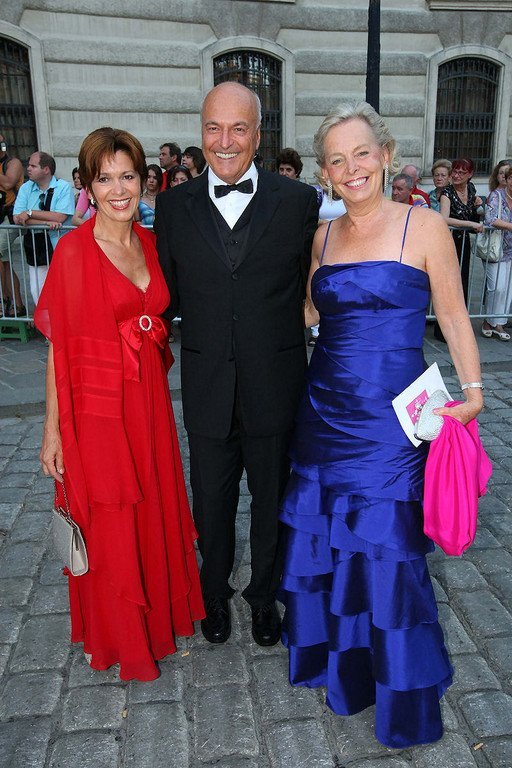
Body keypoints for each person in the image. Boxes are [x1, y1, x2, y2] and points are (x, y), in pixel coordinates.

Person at [278, 101, 483, 748]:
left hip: (393, 423)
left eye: (362, 153)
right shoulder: (322, 236)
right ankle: (341, 667)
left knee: (389, 550)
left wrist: (474, 392)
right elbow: (309, 314)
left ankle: (401, 693)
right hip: (323, 412)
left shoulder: (425, 226)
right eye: (337, 160)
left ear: (386, 155)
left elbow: (454, 314)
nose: (352, 168)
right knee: (326, 541)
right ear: (326, 172)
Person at [35, 127, 204, 681]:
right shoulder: (74, 251)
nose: (118, 189)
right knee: (111, 516)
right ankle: (120, 635)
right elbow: (59, 348)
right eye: (104, 178)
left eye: (127, 176)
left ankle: (158, 622)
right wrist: (53, 432)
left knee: (152, 504)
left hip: (149, 401)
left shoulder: (151, 244)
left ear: (144, 180)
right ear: (87, 186)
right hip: (98, 409)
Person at [155, 81, 318, 648]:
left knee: (272, 501)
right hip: (206, 385)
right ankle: (213, 593)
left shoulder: (298, 201)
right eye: (213, 128)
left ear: (258, 135)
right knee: (211, 503)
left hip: (275, 382)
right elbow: (160, 296)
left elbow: (318, 281)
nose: (224, 141)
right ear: (201, 132)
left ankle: (264, 597)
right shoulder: (172, 206)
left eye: (238, 128)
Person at [13, 152, 75, 308]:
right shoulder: (26, 188)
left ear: (46, 169)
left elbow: (60, 217)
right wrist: (46, 221)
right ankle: (47, 323)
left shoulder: (63, 187)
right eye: (29, 165)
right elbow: (16, 218)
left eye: (33, 166)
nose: (28, 168)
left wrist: (30, 213)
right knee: (38, 291)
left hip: (60, 247)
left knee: (64, 290)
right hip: (35, 246)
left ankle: (64, 322)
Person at [439, 157, 483, 304]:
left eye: (461, 173)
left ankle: (460, 313)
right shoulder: (447, 192)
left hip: (464, 241)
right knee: (449, 280)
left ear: (470, 174)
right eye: (455, 172)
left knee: (463, 278)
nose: (456, 176)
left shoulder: (471, 189)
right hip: (448, 241)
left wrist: (477, 206)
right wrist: (469, 224)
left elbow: (472, 213)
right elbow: (444, 218)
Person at [481, 165, 512, 341]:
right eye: (511, 177)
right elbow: (490, 219)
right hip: (496, 250)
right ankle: (488, 321)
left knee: (508, 290)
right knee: (496, 288)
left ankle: (499, 323)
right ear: (506, 179)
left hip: (511, 250)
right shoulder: (496, 196)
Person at [0, 132, 25, 317]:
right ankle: (17, 304)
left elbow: (8, 183)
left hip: (9, 216)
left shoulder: (12, 163)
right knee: (5, 263)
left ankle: (5, 299)